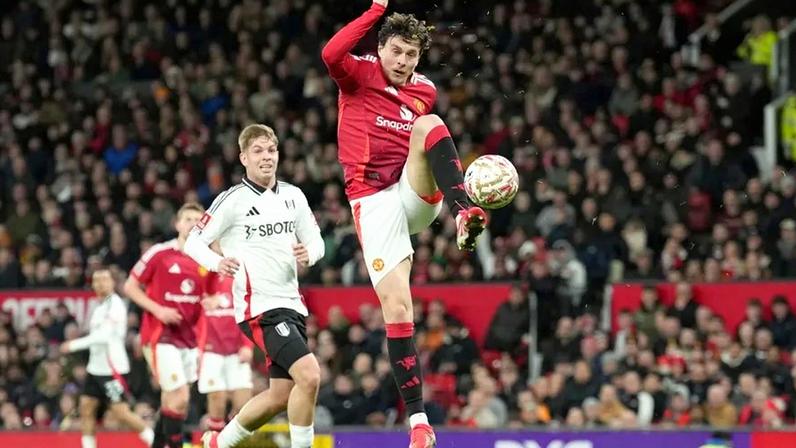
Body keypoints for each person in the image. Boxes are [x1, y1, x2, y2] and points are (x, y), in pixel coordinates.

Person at [321, 1, 488, 445]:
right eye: (396, 51)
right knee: (397, 309)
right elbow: (330, 54)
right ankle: (419, 424)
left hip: (412, 194)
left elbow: (427, 134)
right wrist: (375, 9)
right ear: (381, 49)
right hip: (372, 203)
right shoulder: (357, 74)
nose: (402, 62)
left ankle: (463, 211)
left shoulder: (425, 92)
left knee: (429, 124)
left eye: (411, 55)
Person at [184, 123, 325, 448]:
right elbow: (193, 241)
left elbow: (316, 241)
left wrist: (311, 254)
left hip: (291, 305)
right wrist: (216, 262)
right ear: (244, 157)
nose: (266, 157)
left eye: (271, 150)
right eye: (258, 151)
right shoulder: (231, 200)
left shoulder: (294, 196)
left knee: (280, 395)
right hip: (259, 307)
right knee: (310, 375)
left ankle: (218, 444)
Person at [123, 202, 210, 448]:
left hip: (191, 340)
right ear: (177, 224)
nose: (193, 223)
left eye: (197, 219)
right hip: (160, 336)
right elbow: (130, 286)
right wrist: (158, 309)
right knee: (180, 396)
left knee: (172, 401)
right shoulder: (160, 253)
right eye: (188, 219)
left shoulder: (208, 260)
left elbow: (208, 297)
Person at [60, 268, 155, 448]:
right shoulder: (100, 307)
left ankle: (154, 440)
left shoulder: (116, 306)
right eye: (96, 280)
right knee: (87, 408)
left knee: (121, 412)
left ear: (113, 283)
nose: (100, 284)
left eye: (104, 280)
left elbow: (104, 336)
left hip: (112, 369)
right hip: (95, 368)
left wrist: (73, 345)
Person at [198, 271, 254, 432]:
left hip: (237, 350)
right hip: (211, 350)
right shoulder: (202, 270)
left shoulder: (242, 273)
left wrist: (247, 344)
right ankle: (215, 440)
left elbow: (250, 310)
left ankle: (230, 437)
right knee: (217, 399)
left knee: (243, 406)